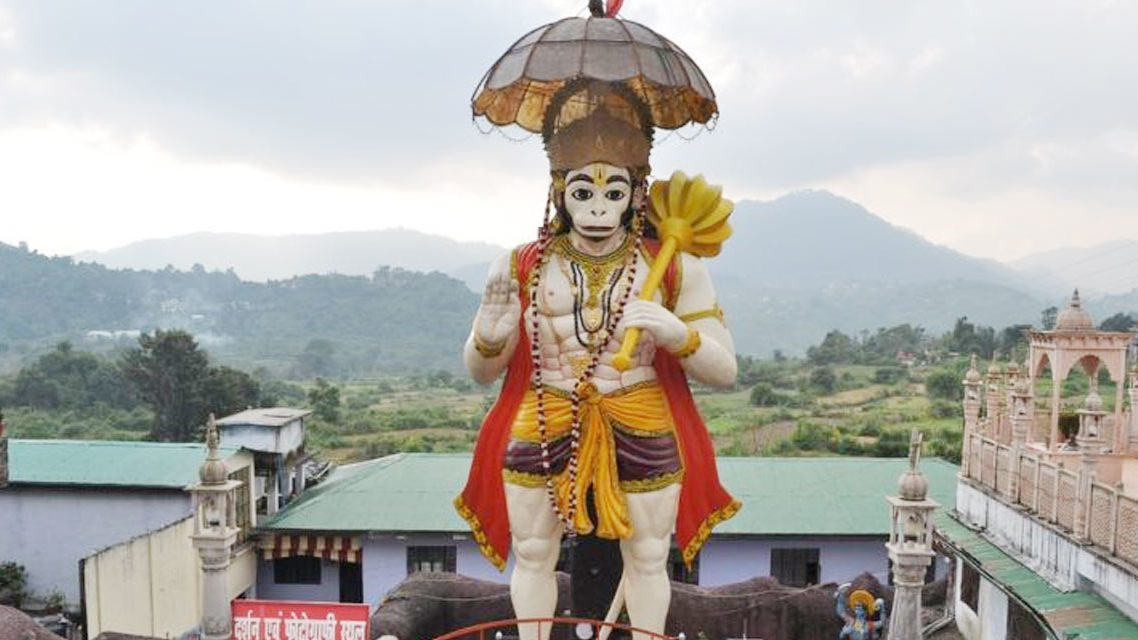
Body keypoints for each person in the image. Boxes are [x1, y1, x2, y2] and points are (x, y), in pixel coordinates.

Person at [455, 83, 739, 640]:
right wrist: (489, 338)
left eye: (614, 195)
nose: (597, 211)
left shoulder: (674, 268)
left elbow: (724, 369)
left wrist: (676, 334)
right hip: (545, 413)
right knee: (534, 551)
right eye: (583, 194)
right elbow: (482, 371)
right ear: (559, 191)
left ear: (638, 194)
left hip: (639, 409)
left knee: (651, 554)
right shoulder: (520, 264)